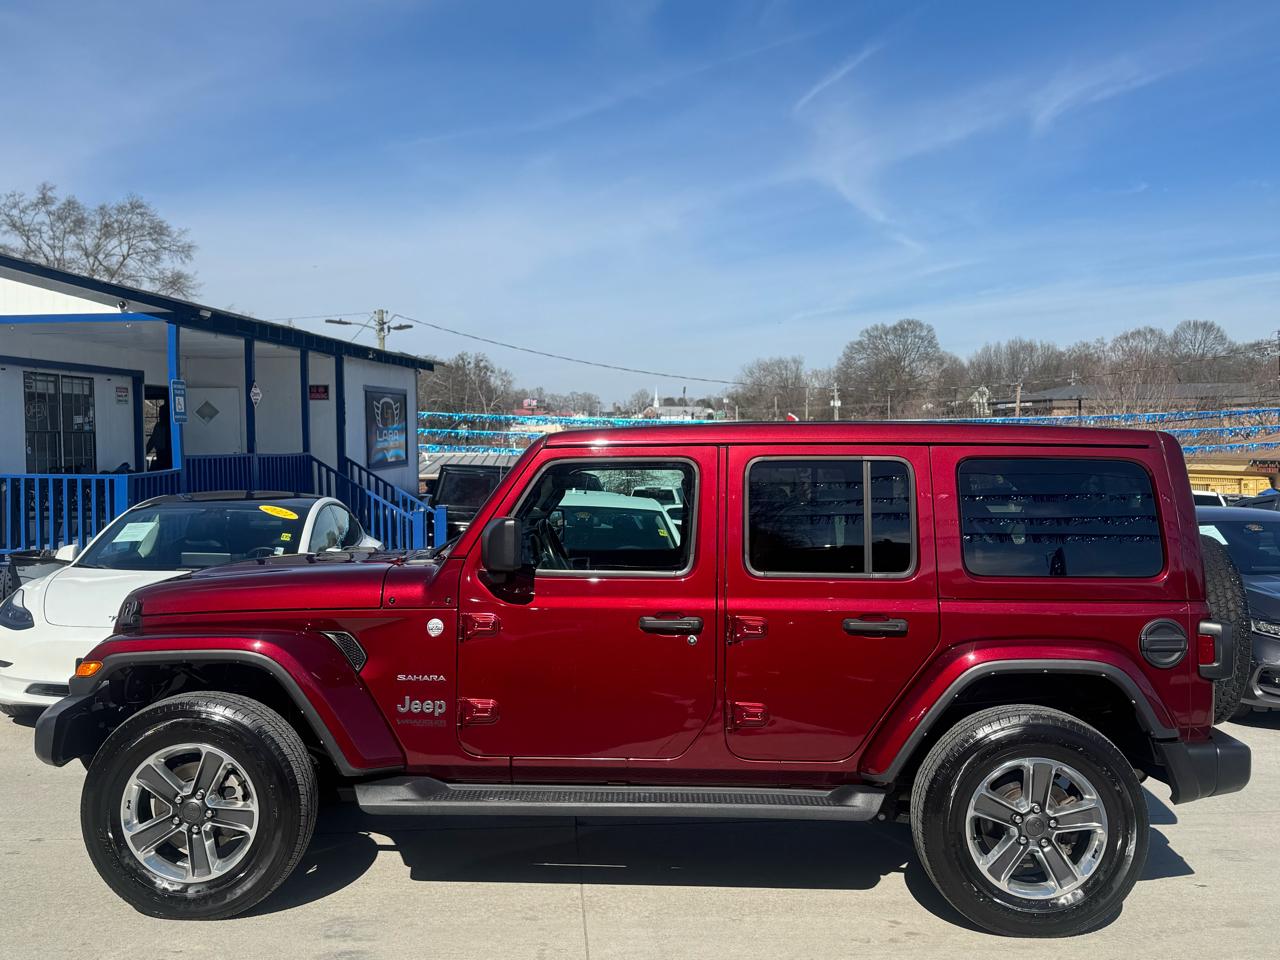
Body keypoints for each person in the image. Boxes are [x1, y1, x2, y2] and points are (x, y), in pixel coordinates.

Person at [146, 401, 172, 470]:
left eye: (162, 413)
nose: (160, 415)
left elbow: (152, 441)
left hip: (169, 455)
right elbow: (152, 441)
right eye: (160, 413)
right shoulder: (158, 426)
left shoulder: (172, 427)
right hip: (160, 454)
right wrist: (145, 452)